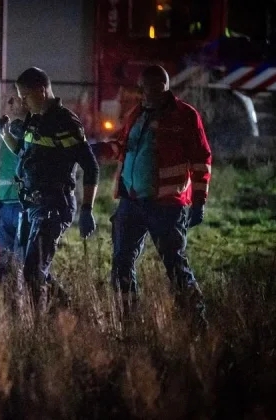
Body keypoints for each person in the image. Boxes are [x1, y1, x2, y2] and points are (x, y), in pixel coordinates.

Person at [91, 65, 211, 328]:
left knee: (175, 265)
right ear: (141, 88)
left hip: (166, 206)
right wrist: (98, 149)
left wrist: (199, 200)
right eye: (148, 87)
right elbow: (122, 145)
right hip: (132, 203)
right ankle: (129, 321)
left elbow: (202, 159)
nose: (153, 92)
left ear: (166, 86)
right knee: (121, 262)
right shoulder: (137, 114)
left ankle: (197, 323)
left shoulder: (185, 116)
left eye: (159, 86)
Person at [0, 67, 99, 313]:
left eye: (26, 96)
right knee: (33, 268)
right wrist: (5, 135)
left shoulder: (65, 121)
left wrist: (87, 208)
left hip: (56, 205)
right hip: (34, 205)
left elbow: (91, 167)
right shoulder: (35, 119)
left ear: (42, 91)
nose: (23, 102)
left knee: (33, 271)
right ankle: (69, 314)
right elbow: (24, 152)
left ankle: (43, 328)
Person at [0, 111, 24, 285]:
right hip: (16, 205)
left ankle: (10, 298)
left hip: (8, 204)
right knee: (19, 259)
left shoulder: (7, 143)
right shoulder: (25, 142)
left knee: (7, 260)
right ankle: (15, 299)